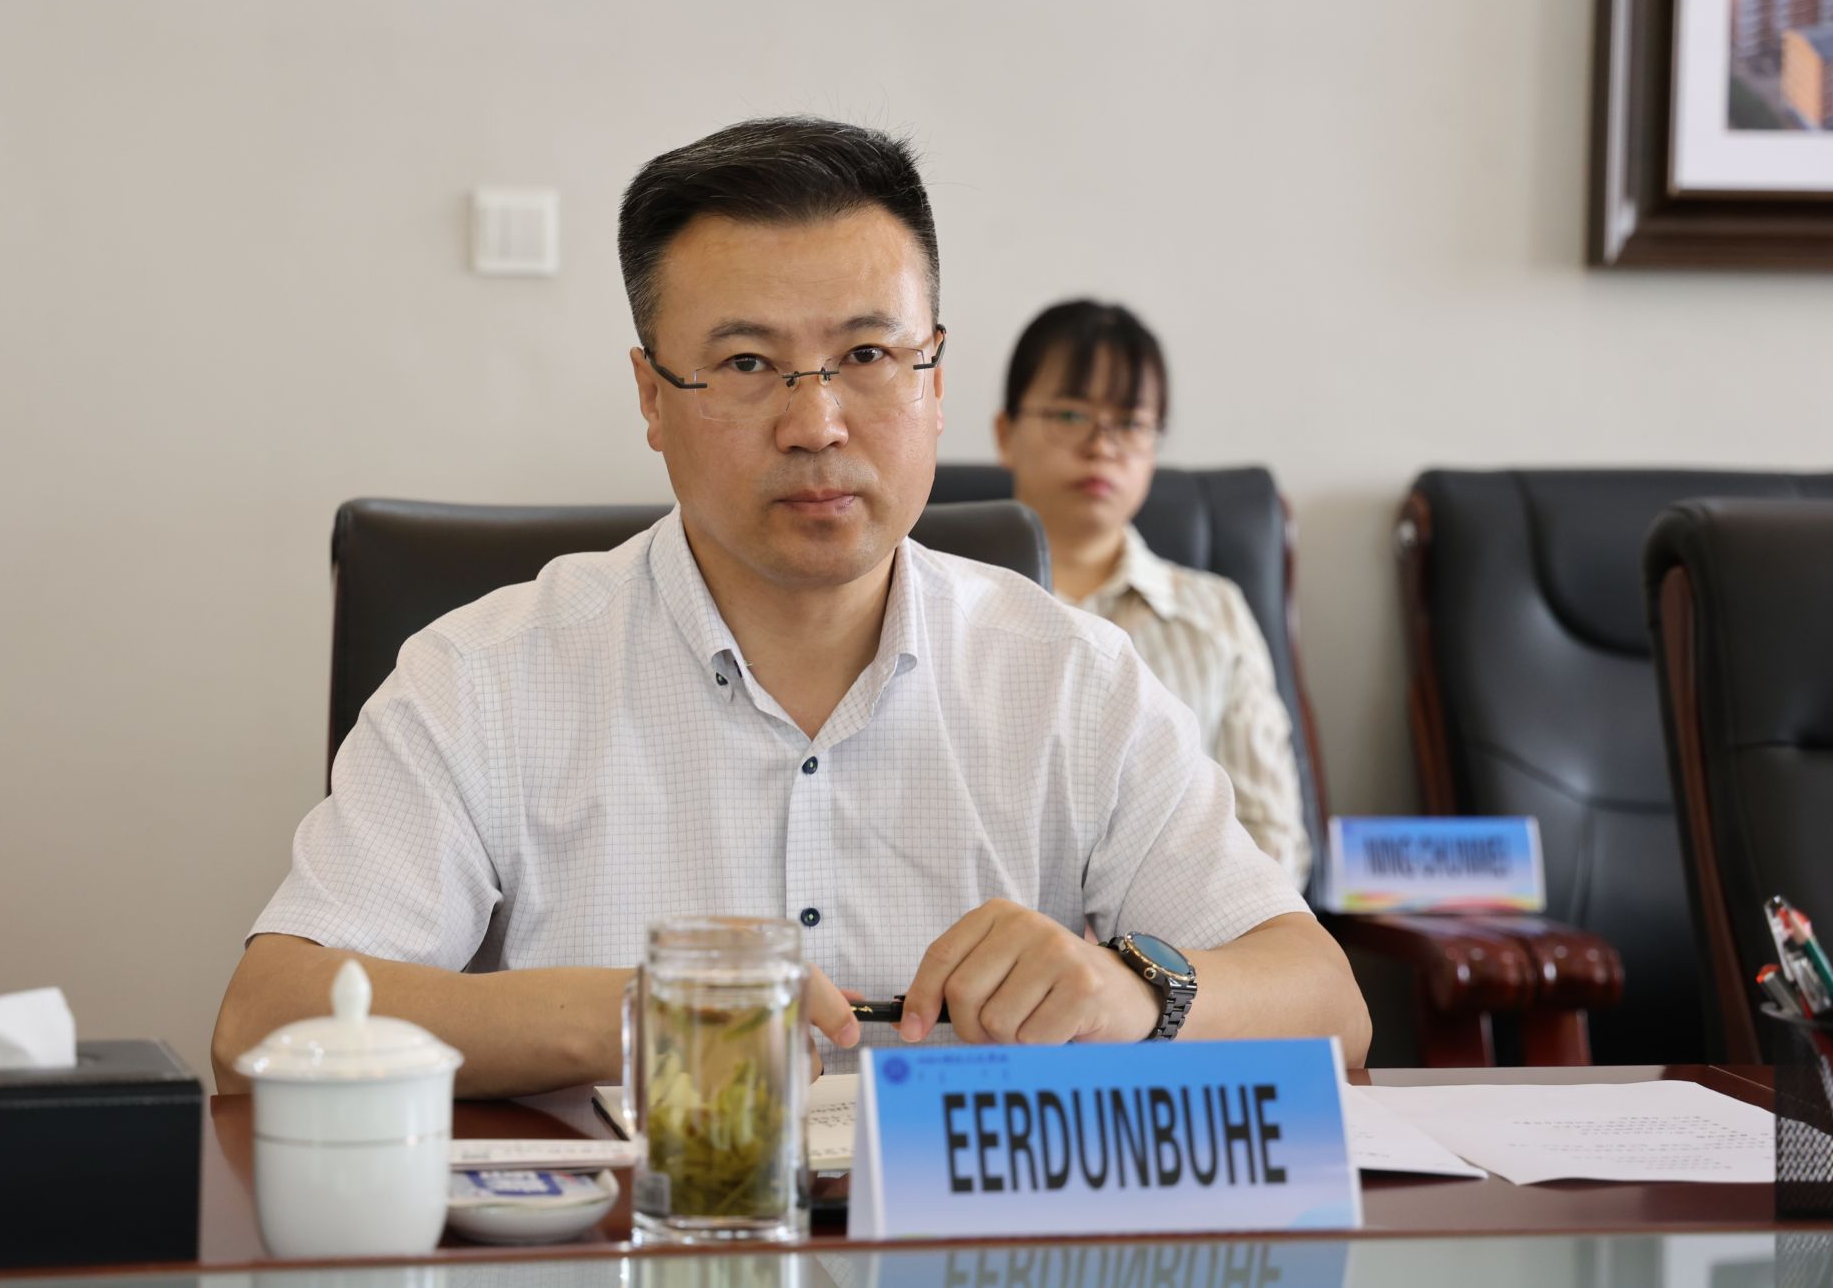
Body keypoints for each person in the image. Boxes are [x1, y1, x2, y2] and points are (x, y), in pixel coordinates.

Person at [211, 118, 1368, 1098]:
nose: (815, 424)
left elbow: (1327, 1005)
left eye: (866, 353)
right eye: (747, 365)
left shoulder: (1071, 679)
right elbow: (266, 1018)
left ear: (934, 377)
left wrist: (1132, 995)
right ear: (650, 398)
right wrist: (645, 1018)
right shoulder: (489, 675)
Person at [993, 301, 1311, 888]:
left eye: (1131, 424)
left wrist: (1150, 942)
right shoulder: (946, 603)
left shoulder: (1214, 614)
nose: (1102, 445)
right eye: (1071, 413)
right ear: (1005, 434)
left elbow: (1271, 836)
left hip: (1185, 940)